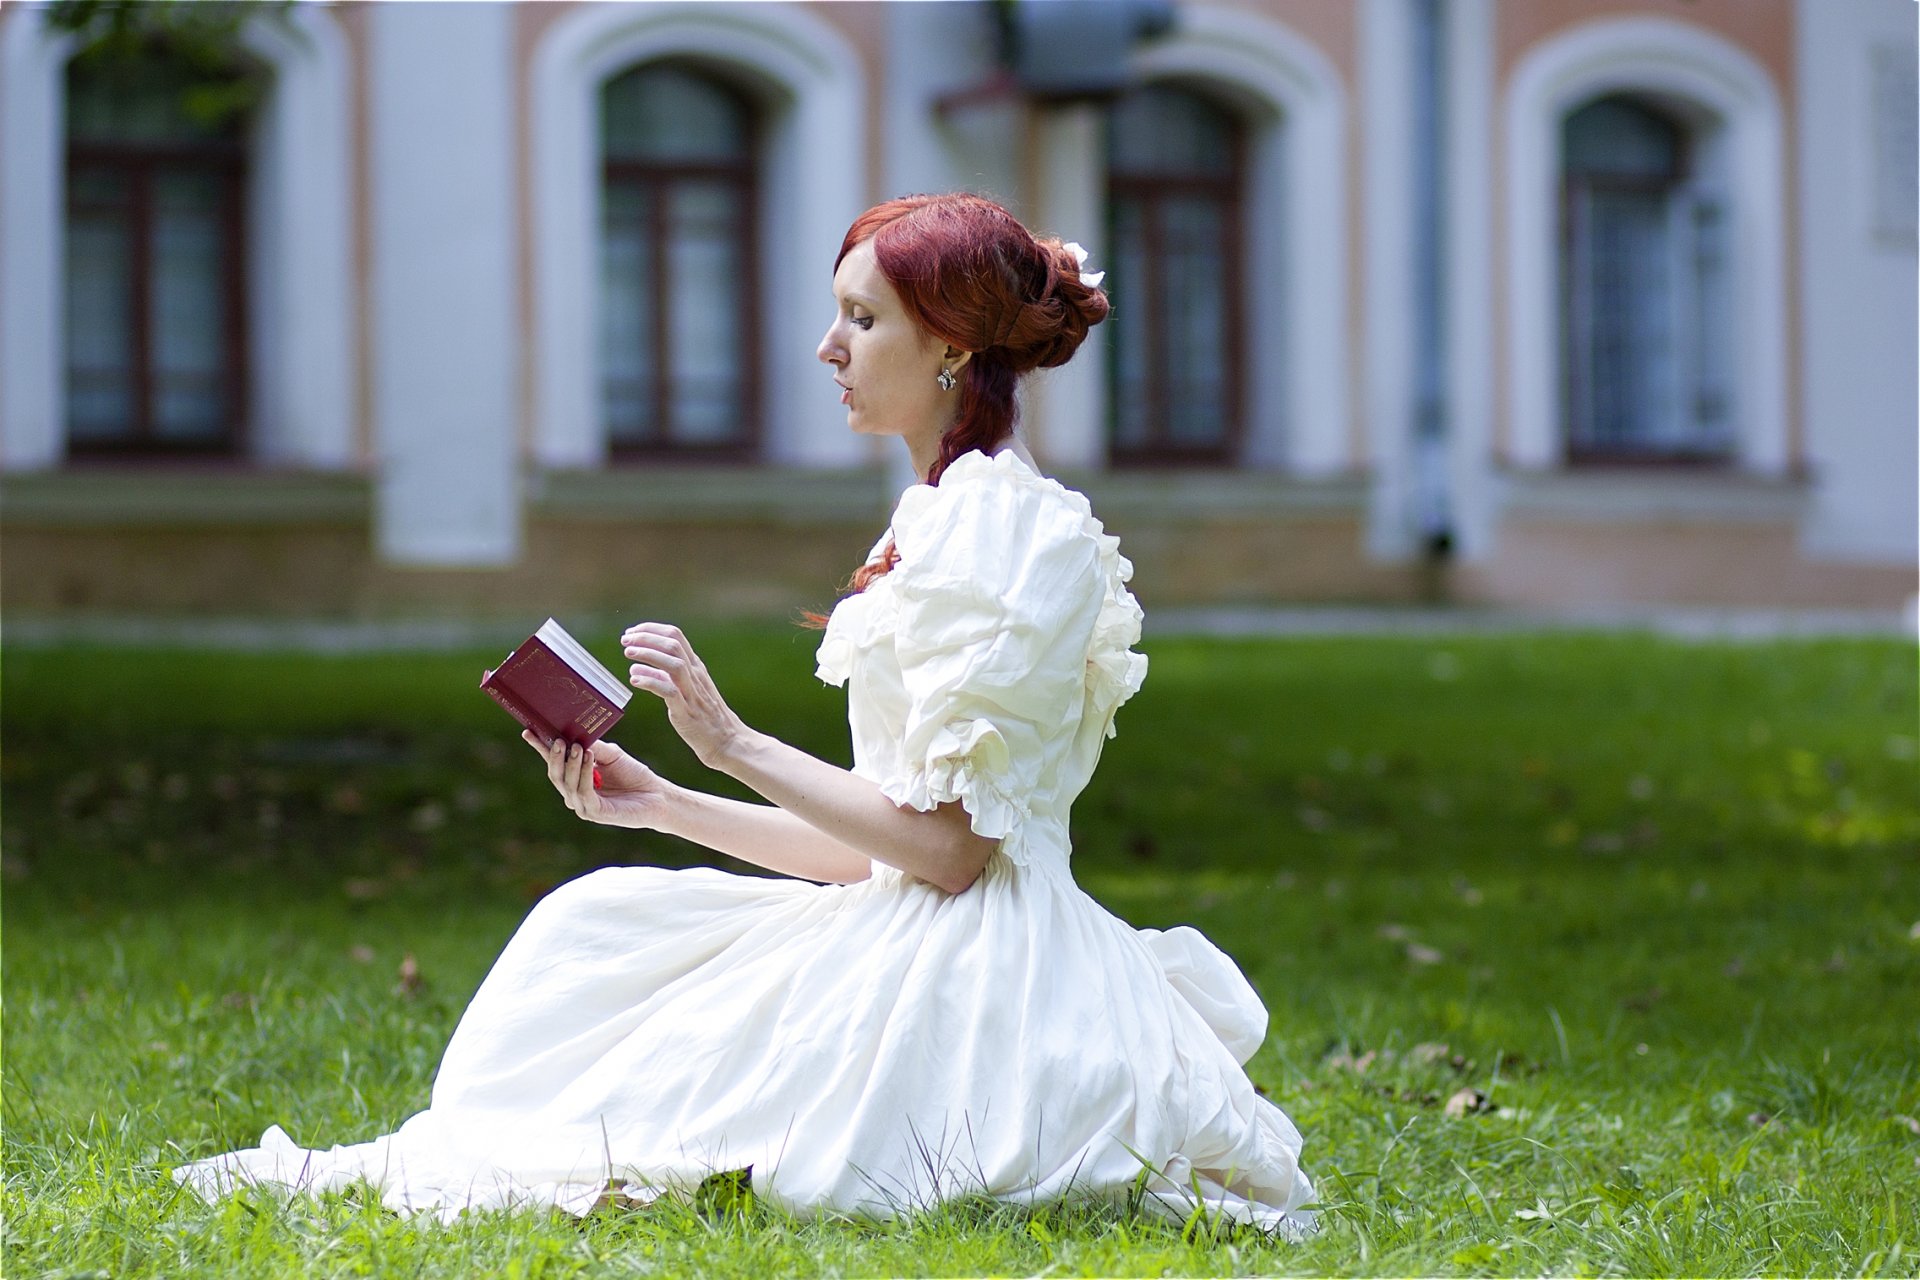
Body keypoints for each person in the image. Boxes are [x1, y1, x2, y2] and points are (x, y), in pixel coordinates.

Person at [174, 193, 1317, 1237]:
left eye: (862, 320)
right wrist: (667, 800)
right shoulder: (939, 516)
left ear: (952, 345)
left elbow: (957, 856)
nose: (831, 347)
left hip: (985, 973)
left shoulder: (1016, 534)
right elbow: (885, 848)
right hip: (914, 916)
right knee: (601, 924)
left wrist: (731, 739)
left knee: (693, 1096)